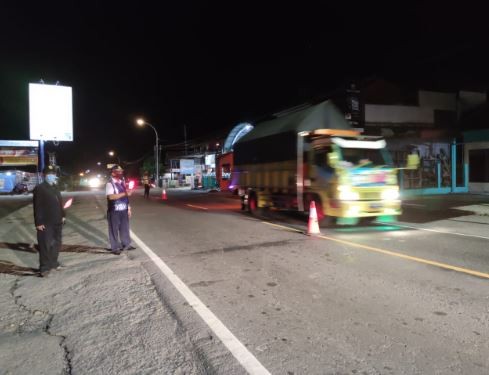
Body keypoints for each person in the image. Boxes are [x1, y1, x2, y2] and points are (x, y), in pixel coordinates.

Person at [33, 165, 66, 277]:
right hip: (46, 222)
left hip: (58, 220)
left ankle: (54, 263)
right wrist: (38, 222)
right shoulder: (40, 188)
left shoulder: (55, 187)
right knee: (45, 245)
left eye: (53, 173)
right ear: (44, 175)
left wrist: (63, 215)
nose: (52, 175)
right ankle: (44, 268)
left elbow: (59, 203)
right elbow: (37, 206)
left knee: (57, 243)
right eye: (49, 174)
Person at [106, 165, 136, 254]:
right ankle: (115, 248)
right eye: (118, 171)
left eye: (121, 171)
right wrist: (125, 193)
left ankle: (126, 244)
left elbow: (126, 197)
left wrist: (129, 208)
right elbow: (111, 197)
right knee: (113, 229)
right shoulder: (109, 184)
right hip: (114, 211)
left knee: (125, 228)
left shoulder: (122, 182)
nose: (120, 173)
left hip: (124, 209)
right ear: (113, 173)